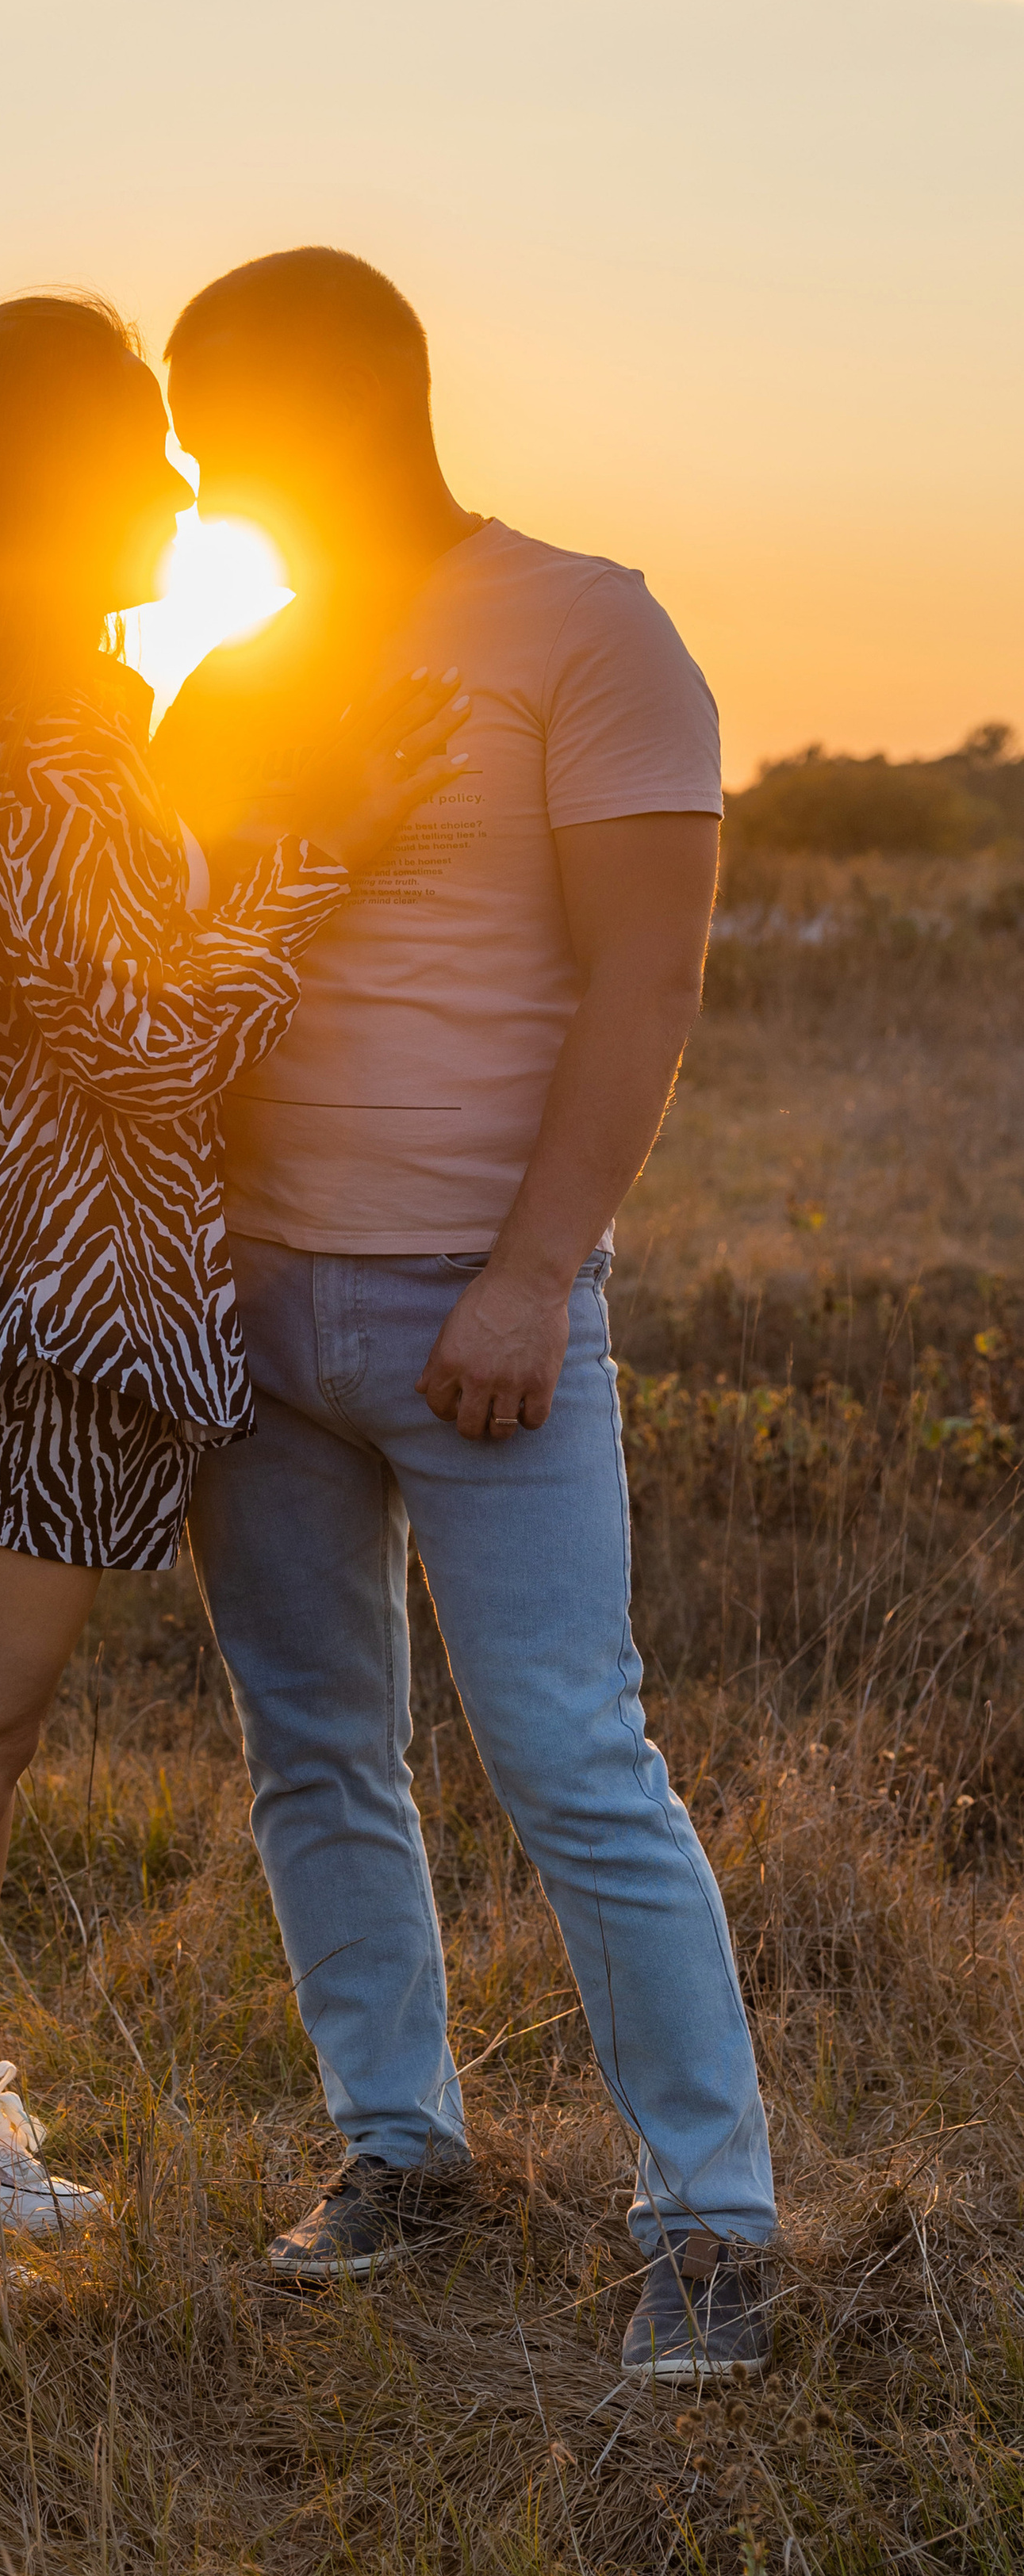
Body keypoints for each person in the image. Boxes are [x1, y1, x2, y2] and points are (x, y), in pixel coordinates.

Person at [154, 247, 777, 2383]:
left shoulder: (587, 629)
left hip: (479, 1312)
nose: (188, 464)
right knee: (314, 1747)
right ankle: (396, 2149)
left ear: (329, 410)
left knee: (570, 1755)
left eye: (211, 423)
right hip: (250, 1312)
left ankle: (712, 2218)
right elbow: (179, 972)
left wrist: (528, 1273)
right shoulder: (239, 670)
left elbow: (650, 982)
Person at [0, 291, 467, 2258]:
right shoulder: (26, 743)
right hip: (24, 1317)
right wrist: (318, 847)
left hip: (39, 1310)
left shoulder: (26, 717)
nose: (183, 491)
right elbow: (150, 1042)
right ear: (51, 485)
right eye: (148, 463)